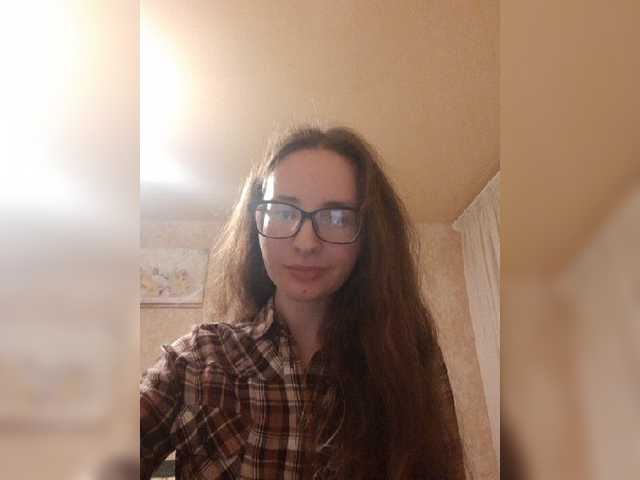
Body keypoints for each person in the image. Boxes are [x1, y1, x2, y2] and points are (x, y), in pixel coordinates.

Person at [140, 126, 465, 479]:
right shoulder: (198, 358)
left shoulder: (410, 357)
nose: (306, 243)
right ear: (257, 221)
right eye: (283, 212)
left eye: (337, 217)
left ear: (367, 236)